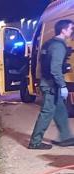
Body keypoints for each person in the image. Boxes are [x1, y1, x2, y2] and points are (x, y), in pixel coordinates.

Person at [29, 19, 74, 150]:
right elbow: (55, 68)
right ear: (63, 30)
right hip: (51, 85)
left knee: (60, 110)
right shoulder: (59, 46)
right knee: (47, 112)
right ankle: (35, 142)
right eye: (71, 28)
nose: (72, 31)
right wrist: (63, 85)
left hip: (49, 83)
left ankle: (66, 137)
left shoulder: (49, 43)